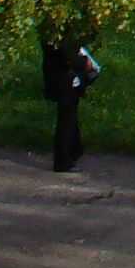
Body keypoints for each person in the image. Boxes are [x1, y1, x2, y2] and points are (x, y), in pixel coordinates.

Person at [40, 36, 99, 174]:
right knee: (67, 118)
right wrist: (85, 63)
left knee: (69, 116)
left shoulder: (50, 30)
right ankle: (64, 160)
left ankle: (74, 150)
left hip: (57, 75)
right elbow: (68, 55)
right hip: (65, 78)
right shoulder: (61, 34)